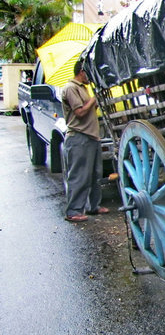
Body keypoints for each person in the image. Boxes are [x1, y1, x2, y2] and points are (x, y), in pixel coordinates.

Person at [61, 59, 109, 222]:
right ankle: (73, 211)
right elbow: (80, 112)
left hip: (92, 136)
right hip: (79, 136)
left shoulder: (83, 89)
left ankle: (93, 206)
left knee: (95, 174)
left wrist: (94, 100)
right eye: (89, 72)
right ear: (82, 72)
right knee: (79, 175)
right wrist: (93, 99)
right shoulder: (71, 88)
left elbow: (90, 110)